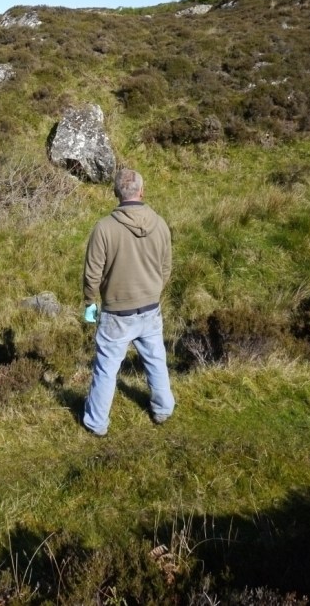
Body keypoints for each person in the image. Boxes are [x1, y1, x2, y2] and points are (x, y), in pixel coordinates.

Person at [82, 168, 175, 436]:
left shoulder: (104, 228)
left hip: (116, 313)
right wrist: (153, 290)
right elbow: (166, 268)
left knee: (106, 368)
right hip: (150, 308)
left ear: (116, 193)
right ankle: (163, 409)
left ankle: (96, 423)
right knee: (156, 360)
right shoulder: (160, 223)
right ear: (141, 192)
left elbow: (92, 275)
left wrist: (90, 303)